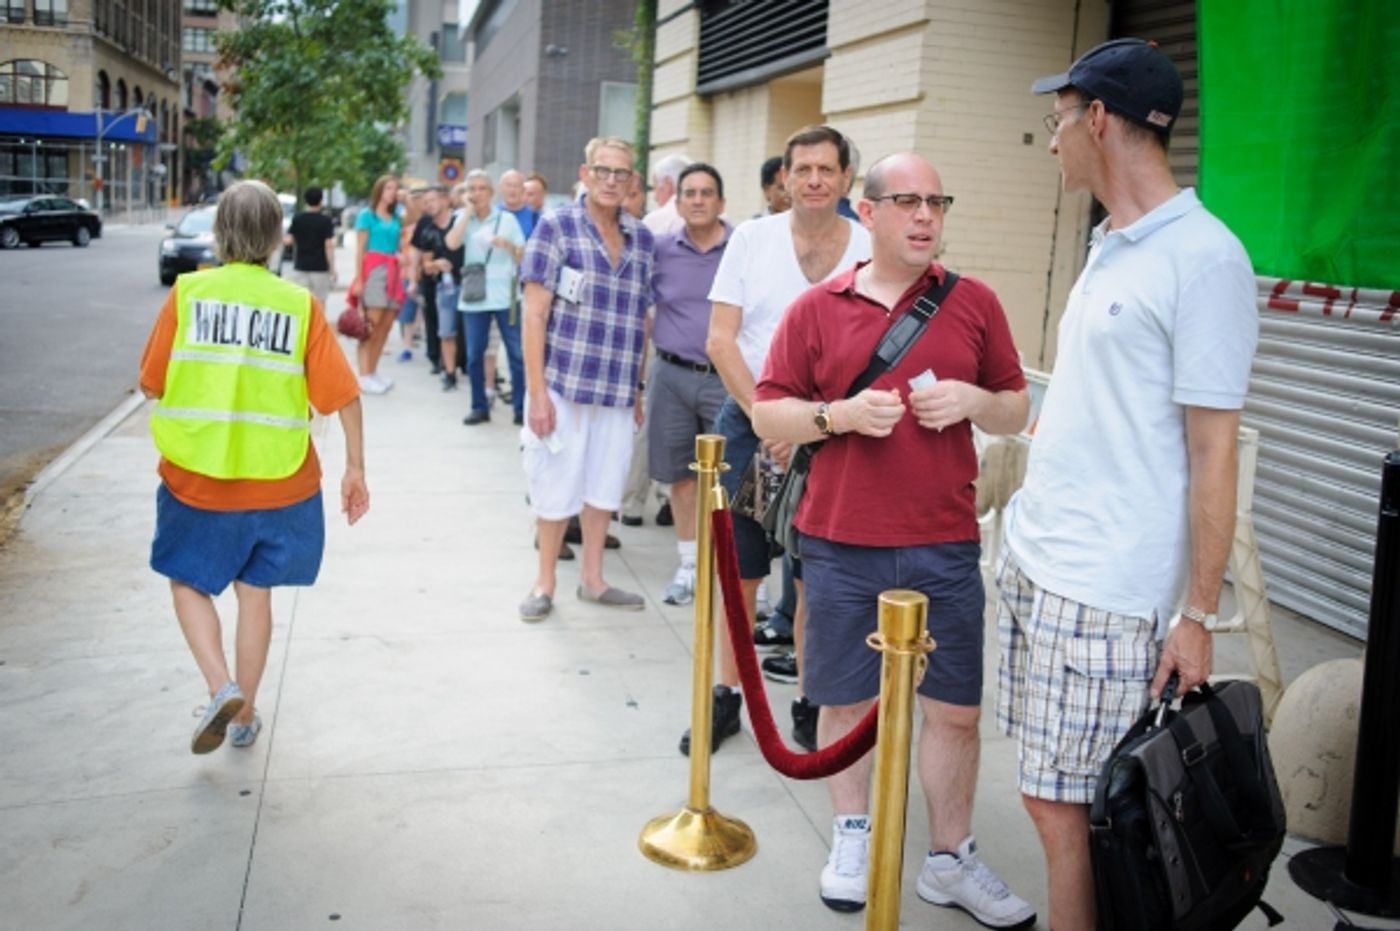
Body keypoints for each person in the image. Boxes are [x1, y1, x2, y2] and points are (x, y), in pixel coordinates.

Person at [998, 39, 1259, 931]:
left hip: (1105, 588)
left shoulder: (1206, 258)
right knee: (1053, 799)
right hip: (1039, 556)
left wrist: (1198, 613)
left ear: (1099, 118)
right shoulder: (1109, 241)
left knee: (1072, 811)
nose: (1052, 139)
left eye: (1058, 119)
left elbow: (1214, 452)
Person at [752, 152, 1034, 926]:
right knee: (845, 700)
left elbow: (1016, 407)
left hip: (944, 542)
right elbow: (768, 413)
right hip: (841, 541)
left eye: (936, 202)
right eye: (907, 201)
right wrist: (837, 416)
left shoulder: (974, 302)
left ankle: (949, 858)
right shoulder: (817, 308)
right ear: (867, 213)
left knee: (956, 711)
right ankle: (853, 834)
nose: (925, 216)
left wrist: (973, 399)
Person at [140, 180, 369, 755]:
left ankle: (221, 687)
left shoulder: (188, 294)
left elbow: (152, 383)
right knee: (256, 592)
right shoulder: (298, 305)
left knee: (187, 582)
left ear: (220, 233)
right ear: (276, 237)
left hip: (197, 478)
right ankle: (243, 717)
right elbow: (343, 396)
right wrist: (355, 469)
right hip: (280, 482)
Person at [698, 124, 871, 756]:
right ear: (785, 179)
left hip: (834, 435)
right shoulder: (752, 239)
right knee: (739, 573)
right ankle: (727, 696)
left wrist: (812, 427)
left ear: (847, 177)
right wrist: (771, 419)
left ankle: (808, 701)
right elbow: (721, 341)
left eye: (827, 169)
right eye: (803, 170)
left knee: (812, 580)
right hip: (752, 426)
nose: (815, 180)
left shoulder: (869, 246)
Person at [517, 136, 655, 623]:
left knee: (604, 487)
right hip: (564, 384)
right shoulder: (556, 227)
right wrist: (537, 394)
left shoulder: (642, 239)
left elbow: (642, 320)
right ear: (585, 173)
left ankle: (594, 581)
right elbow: (534, 315)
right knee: (555, 486)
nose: (612, 181)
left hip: (616, 390)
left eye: (621, 173)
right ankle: (544, 583)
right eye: (603, 171)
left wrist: (637, 389)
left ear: (632, 180)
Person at [647, 162, 731, 606]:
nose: (698, 201)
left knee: (731, 477)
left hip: (726, 380)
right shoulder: (660, 249)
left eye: (706, 193)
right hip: (671, 376)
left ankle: (734, 570)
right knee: (680, 476)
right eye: (690, 193)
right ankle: (688, 565)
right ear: (677, 203)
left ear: (721, 202)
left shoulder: (742, 249)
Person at [446, 170, 526, 426]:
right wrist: (468, 212)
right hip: (474, 297)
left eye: (482, 188)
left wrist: (507, 245)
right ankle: (479, 407)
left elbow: (523, 255)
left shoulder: (507, 220)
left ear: (491, 193)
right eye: (472, 189)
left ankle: (521, 408)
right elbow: (451, 243)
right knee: (473, 356)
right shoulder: (462, 218)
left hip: (505, 297)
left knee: (516, 354)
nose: (477, 193)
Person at [349, 174, 403, 394]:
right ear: (379, 190)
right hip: (374, 270)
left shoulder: (396, 216)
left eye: (395, 189)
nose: (393, 192)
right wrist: (359, 279)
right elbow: (360, 249)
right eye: (389, 188)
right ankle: (363, 375)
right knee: (370, 326)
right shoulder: (367, 215)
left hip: (393, 271)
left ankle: (372, 371)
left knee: (385, 326)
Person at [407, 184, 460, 379]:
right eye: (426, 201)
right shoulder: (425, 224)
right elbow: (417, 251)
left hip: (460, 280)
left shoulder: (459, 220)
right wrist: (413, 279)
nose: (429, 205)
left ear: (445, 199)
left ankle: (456, 362)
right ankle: (436, 358)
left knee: (457, 325)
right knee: (433, 319)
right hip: (432, 280)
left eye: (432, 200)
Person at [284, 185, 336, 307]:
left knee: (302, 303)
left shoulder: (298, 219)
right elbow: (328, 245)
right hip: (320, 268)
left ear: (305, 200)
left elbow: (289, 240)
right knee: (320, 303)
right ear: (321, 201)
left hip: (301, 266)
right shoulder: (325, 221)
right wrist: (332, 268)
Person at [394, 187, 426, 363]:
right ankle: (407, 345)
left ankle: (417, 337)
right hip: (407, 272)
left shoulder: (428, 224)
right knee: (408, 310)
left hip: (425, 271)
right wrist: (399, 256)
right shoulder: (404, 226)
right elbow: (397, 246)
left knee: (421, 309)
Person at [643, 152, 691, 236]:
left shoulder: (653, 221)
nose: (655, 198)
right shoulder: (707, 216)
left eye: (655, 188)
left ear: (668, 185)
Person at [498, 169, 540, 241]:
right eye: (508, 185)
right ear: (500, 188)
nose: (512, 190)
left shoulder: (535, 217)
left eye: (516, 186)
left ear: (523, 190)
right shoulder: (492, 214)